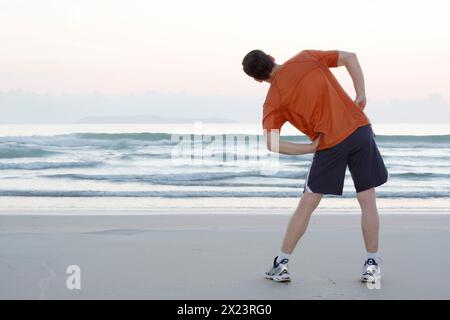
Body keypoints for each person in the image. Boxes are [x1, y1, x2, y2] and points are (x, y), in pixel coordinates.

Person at [241, 49, 388, 284]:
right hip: (359, 130)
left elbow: (272, 144)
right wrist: (360, 93)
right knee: (367, 198)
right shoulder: (306, 57)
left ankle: (282, 264)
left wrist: (309, 148)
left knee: (308, 203)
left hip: (329, 144)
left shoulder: (272, 101)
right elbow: (350, 57)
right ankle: (371, 266)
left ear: (257, 79)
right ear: (271, 56)